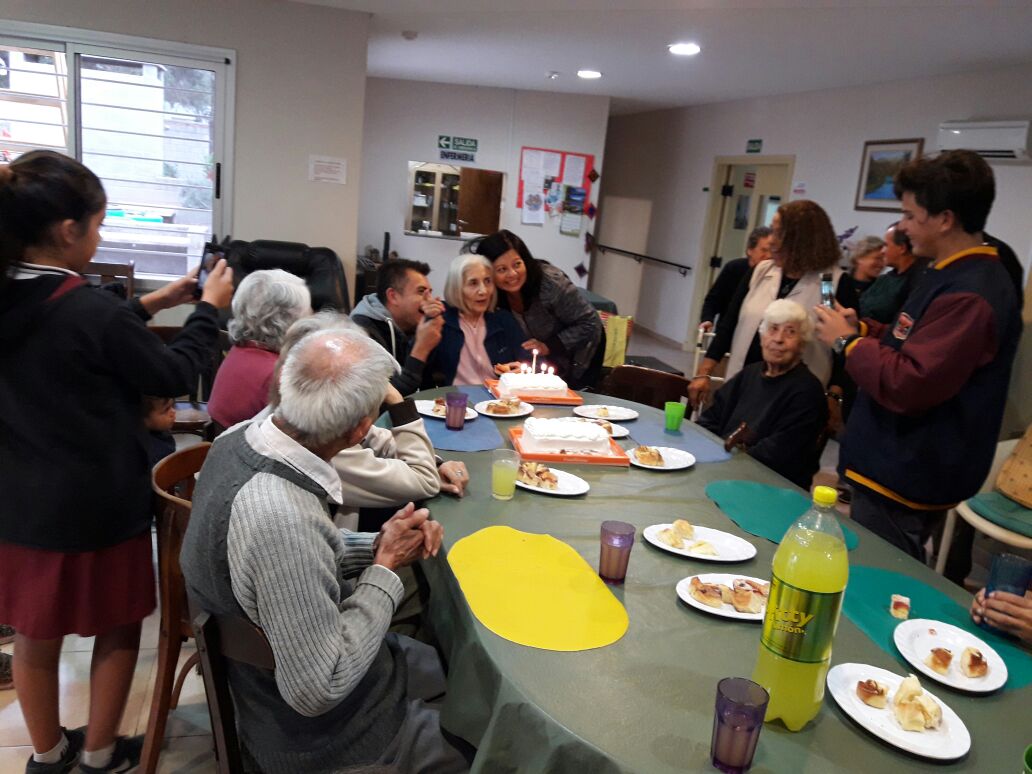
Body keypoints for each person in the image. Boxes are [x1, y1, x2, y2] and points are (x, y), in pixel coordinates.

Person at [0, 150, 234, 773]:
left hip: (21, 502)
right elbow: (173, 372)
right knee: (119, 626)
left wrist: (156, 301)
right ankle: (100, 756)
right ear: (68, 230)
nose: (99, 238)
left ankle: (48, 756)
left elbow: (73, 334)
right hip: (98, 501)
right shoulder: (91, 310)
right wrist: (207, 308)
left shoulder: (14, 294)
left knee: (35, 634)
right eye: (98, 225)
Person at [180, 328, 470, 773]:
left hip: (288, 694)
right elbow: (319, 688)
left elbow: (287, 562)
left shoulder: (237, 439)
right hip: (328, 742)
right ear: (361, 430)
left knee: (459, 670)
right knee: (492, 742)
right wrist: (384, 569)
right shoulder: (281, 514)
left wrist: (378, 546)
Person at [814, 150, 1021, 565]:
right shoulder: (947, 271)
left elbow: (911, 382)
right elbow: (910, 340)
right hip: (892, 460)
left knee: (881, 575)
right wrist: (865, 331)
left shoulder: (973, 292)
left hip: (908, 468)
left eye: (910, 215)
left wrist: (847, 344)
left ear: (944, 218)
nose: (904, 227)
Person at [690, 200, 858, 409]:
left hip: (795, 399)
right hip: (742, 385)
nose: (771, 241)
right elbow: (729, 324)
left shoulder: (828, 283)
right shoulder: (762, 271)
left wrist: (834, 395)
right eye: (772, 230)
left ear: (802, 240)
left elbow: (842, 349)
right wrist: (704, 372)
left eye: (779, 233)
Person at [697, 300, 827, 489]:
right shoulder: (750, 373)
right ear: (762, 337)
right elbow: (710, 419)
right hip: (723, 470)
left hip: (769, 487)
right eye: (773, 329)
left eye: (790, 332)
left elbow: (777, 455)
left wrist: (722, 467)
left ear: (802, 344)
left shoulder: (807, 392)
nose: (779, 339)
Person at [464, 230, 603, 387]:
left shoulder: (550, 284)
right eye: (502, 269)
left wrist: (548, 346)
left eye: (517, 264)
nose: (512, 274)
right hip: (539, 364)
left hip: (581, 355)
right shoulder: (491, 294)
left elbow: (590, 322)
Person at [207, 268, 311, 428]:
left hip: (227, 439)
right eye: (307, 313)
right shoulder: (277, 375)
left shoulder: (240, 352)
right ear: (288, 321)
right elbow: (304, 432)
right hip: (249, 442)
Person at [423, 254, 528, 387]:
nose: (483, 291)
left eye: (487, 281)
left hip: (499, 396)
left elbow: (532, 361)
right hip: (456, 397)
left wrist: (523, 370)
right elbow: (420, 367)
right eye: (473, 283)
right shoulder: (441, 319)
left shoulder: (503, 319)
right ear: (457, 288)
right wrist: (427, 321)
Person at [352, 259, 445, 396]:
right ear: (393, 296)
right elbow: (385, 397)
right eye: (421, 292)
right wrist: (421, 349)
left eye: (430, 293)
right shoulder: (361, 332)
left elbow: (429, 382)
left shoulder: (412, 323)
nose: (429, 301)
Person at [699, 226, 773, 332]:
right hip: (727, 330)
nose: (769, 255)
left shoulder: (774, 275)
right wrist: (707, 319)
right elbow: (713, 300)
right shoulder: (734, 268)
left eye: (772, 251)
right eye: (764, 250)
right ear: (750, 250)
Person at [858, 222, 929, 324]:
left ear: (902, 248)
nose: (882, 251)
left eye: (886, 245)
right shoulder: (884, 279)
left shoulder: (919, 283)